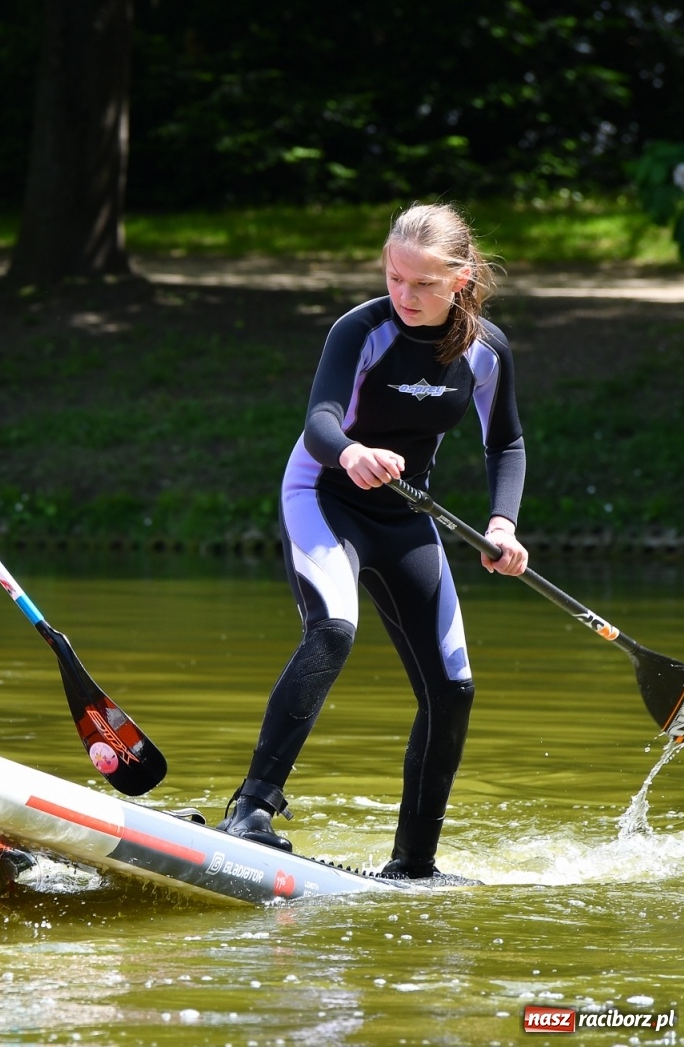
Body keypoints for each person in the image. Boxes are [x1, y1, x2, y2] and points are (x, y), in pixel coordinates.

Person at [216, 202, 529, 880]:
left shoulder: (485, 350)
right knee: (333, 630)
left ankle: (414, 864)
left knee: (454, 688)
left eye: (422, 284)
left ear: (462, 279)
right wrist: (351, 451)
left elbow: (505, 441)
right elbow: (320, 421)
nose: (404, 296)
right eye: (394, 278)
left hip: (403, 512)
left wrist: (502, 523)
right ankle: (252, 808)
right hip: (324, 495)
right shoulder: (360, 330)